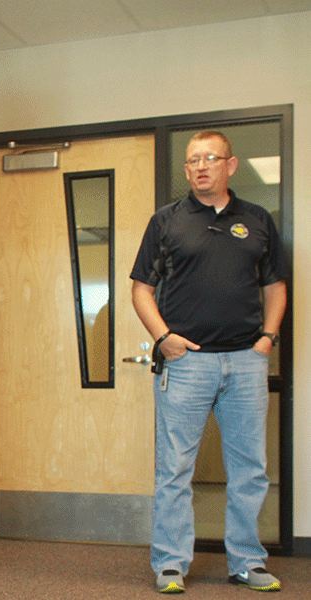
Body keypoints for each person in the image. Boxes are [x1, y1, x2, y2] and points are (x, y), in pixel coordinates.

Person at [130, 131, 288, 594]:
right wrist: (164, 338)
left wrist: (266, 340)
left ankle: (246, 561)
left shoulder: (257, 221)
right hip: (187, 364)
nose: (201, 166)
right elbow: (141, 287)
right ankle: (171, 565)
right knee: (175, 469)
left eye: (210, 158)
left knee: (249, 467)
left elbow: (276, 285)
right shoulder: (167, 221)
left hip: (245, 361)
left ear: (230, 165)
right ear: (186, 170)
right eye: (193, 160)